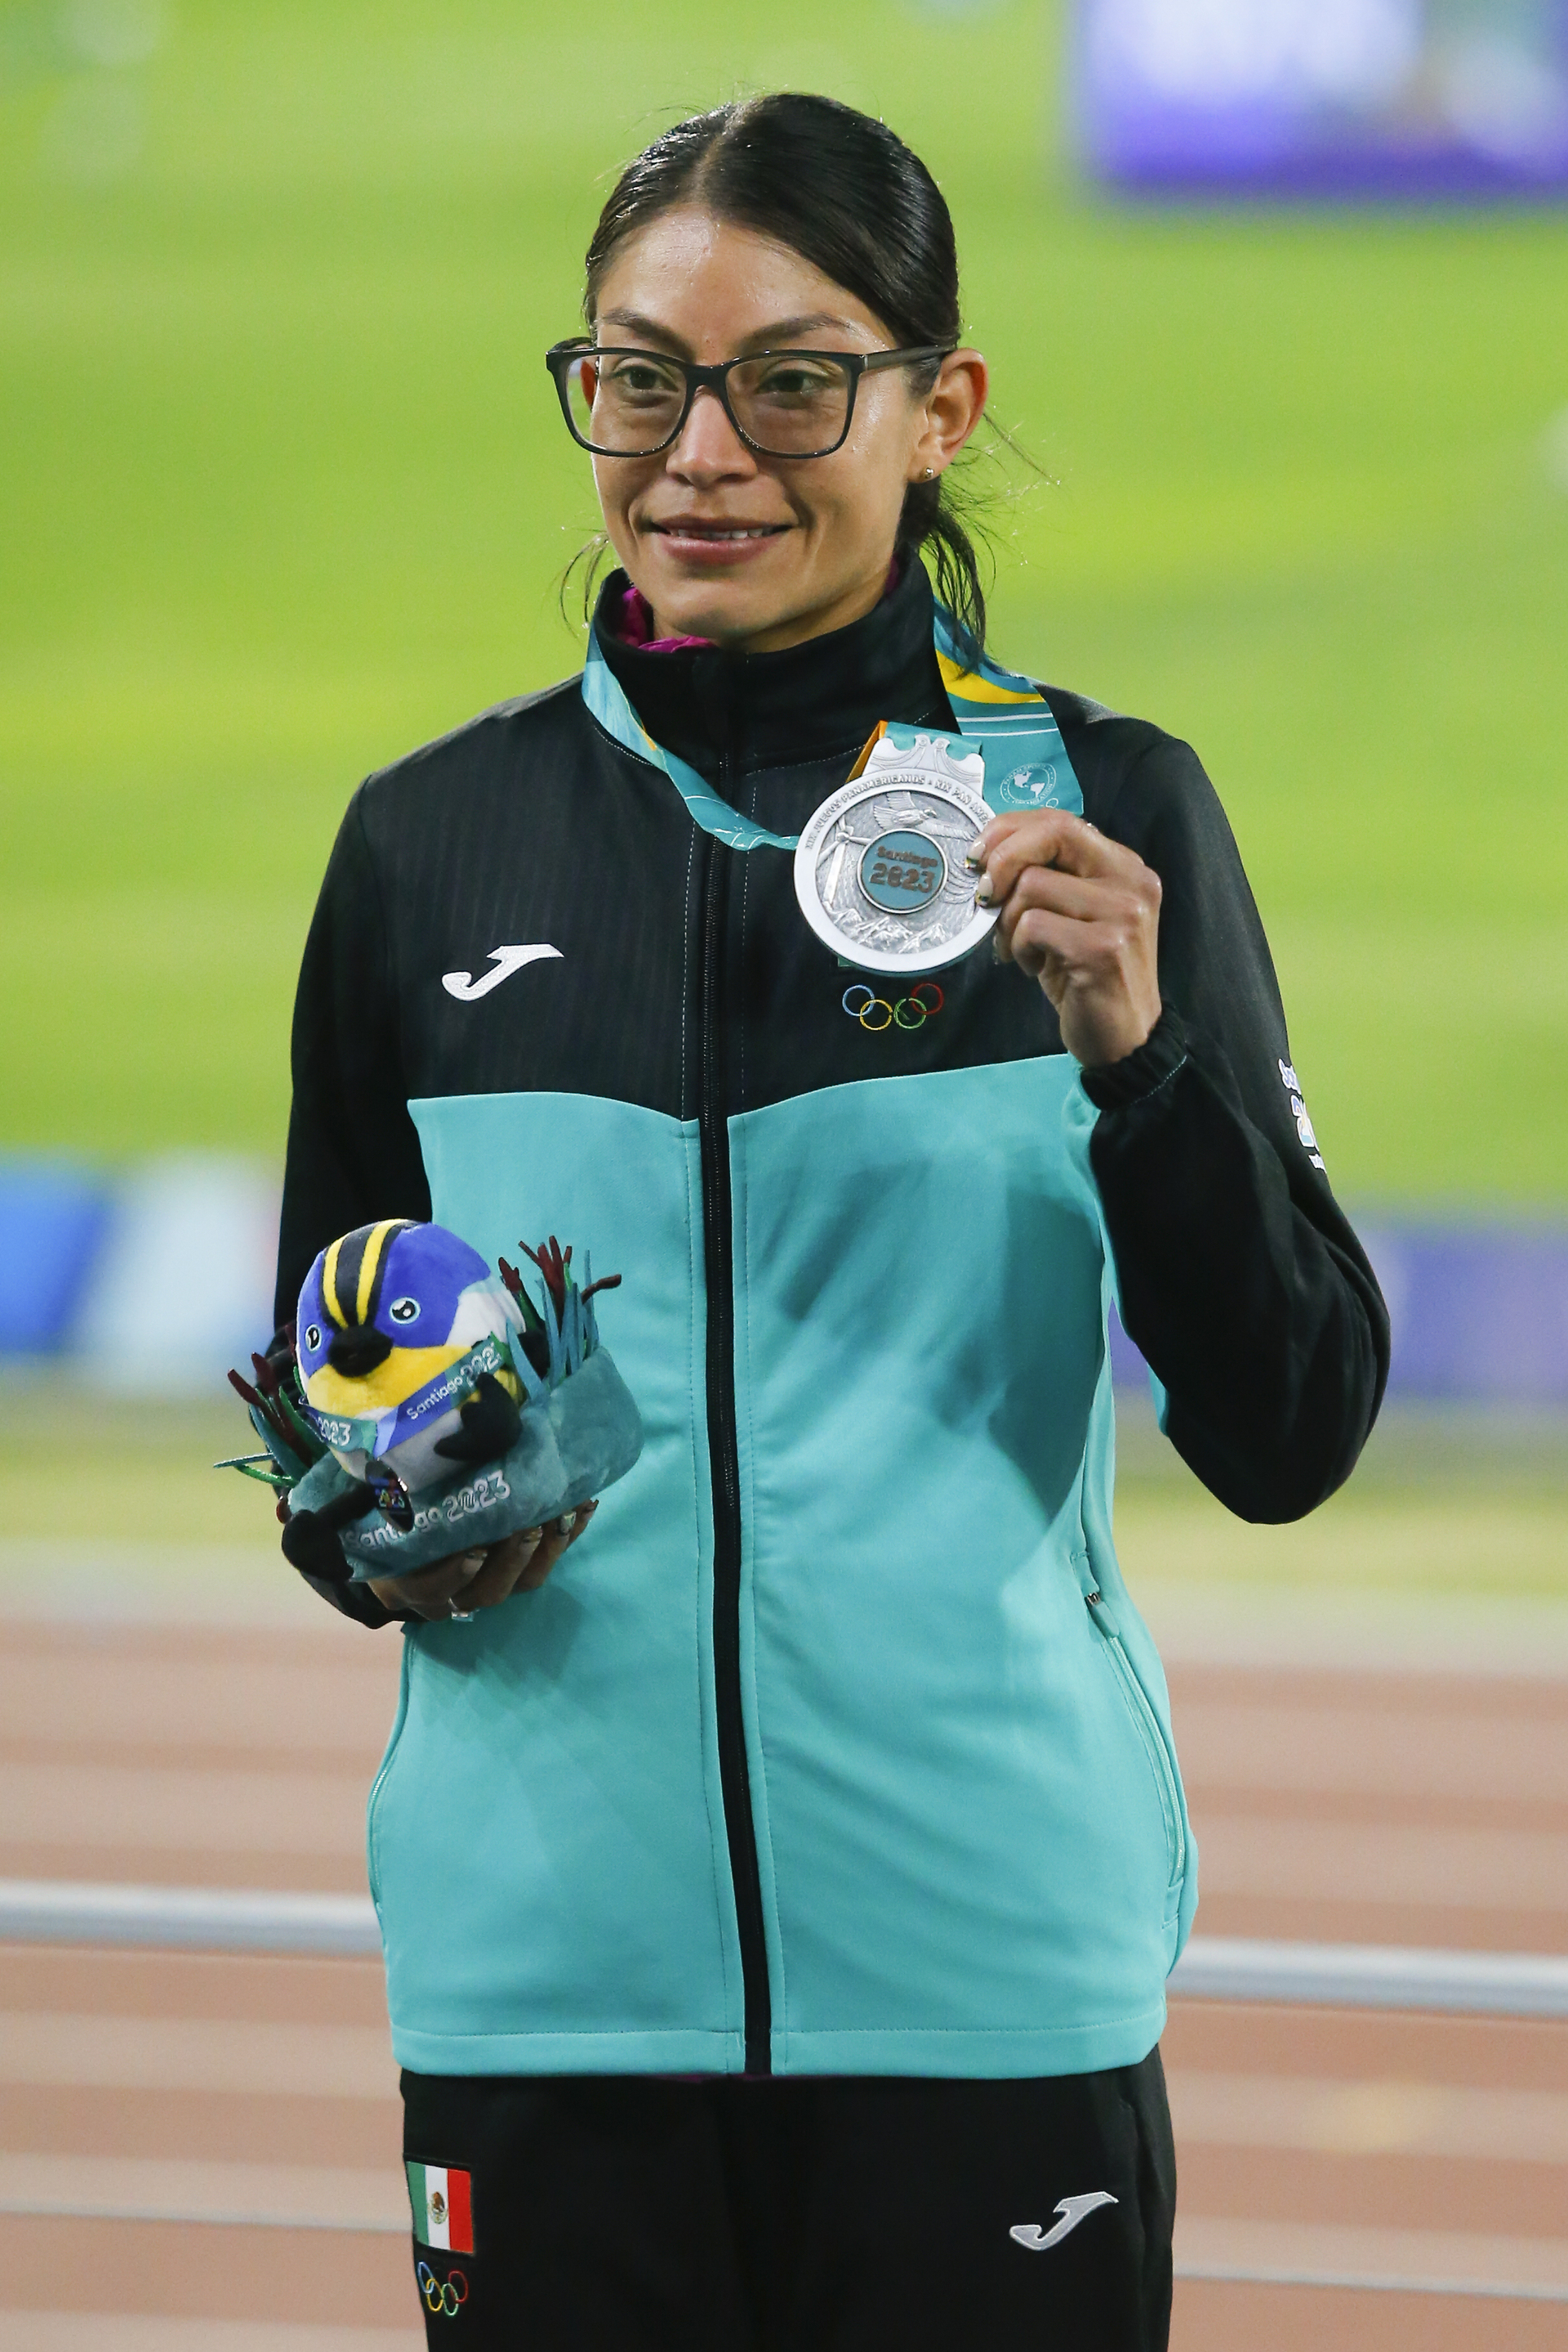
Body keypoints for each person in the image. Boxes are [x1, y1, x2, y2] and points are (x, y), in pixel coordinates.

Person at [274, 93, 1389, 2351]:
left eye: (791, 384)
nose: (702, 456)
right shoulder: (429, 847)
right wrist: (388, 1527)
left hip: (986, 1972)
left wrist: (1140, 1058)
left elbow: (1292, 1428)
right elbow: (328, 1398)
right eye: (638, 381)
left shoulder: (1101, 813)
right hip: (547, 1983)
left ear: (936, 407)